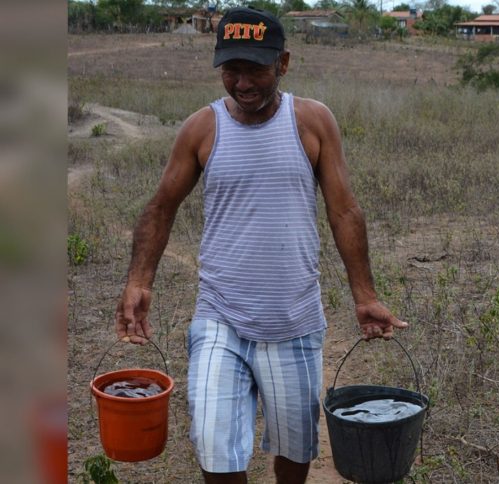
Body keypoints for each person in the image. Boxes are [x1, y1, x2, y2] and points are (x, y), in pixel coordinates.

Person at [113, 7, 407, 483]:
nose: (243, 83)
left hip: (294, 321)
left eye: (256, 69)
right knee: (214, 446)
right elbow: (160, 207)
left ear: (284, 63)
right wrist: (138, 281)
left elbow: (344, 211)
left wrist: (366, 296)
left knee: (296, 449)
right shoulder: (202, 129)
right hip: (220, 318)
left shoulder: (312, 122)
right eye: (231, 70)